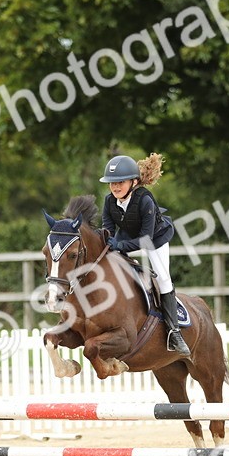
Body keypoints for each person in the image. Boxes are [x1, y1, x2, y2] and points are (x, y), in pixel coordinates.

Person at [100, 152, 191, 357]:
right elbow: (107, 230)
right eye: (112, 183)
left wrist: (119, 245)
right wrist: (106, 243)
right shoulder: (109, 201)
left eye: (120, 182)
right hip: (128, 235)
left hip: (155, 240)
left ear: (134, 181)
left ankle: (174, 332)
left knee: (164, 278)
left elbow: (146, 240)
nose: (115, 187)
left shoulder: (145, 200)